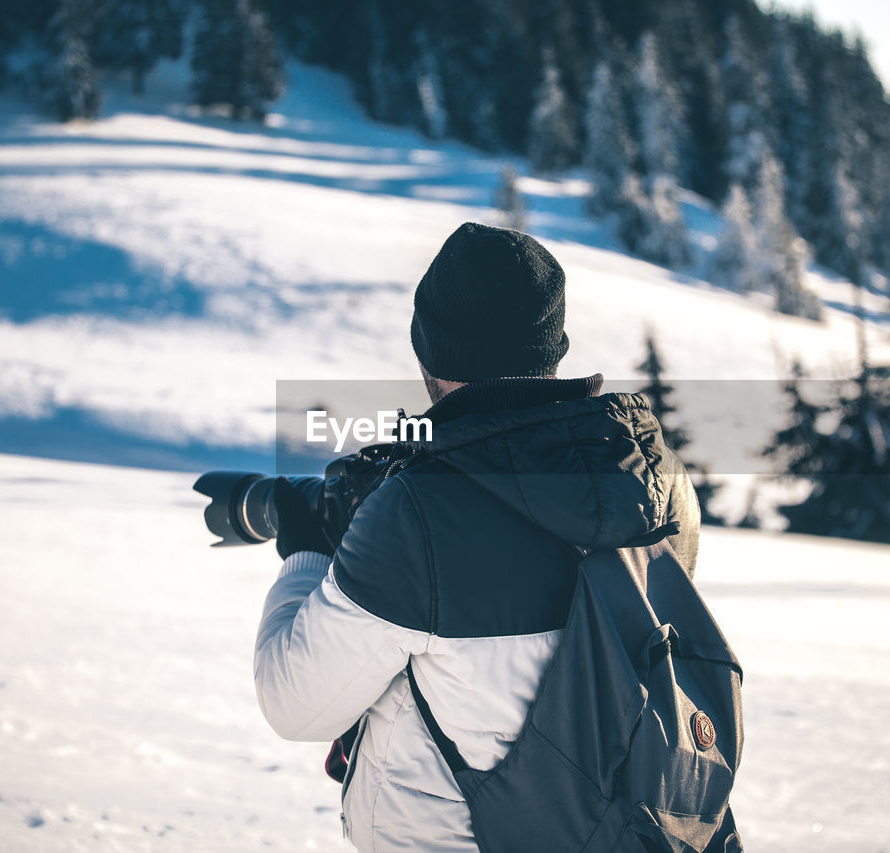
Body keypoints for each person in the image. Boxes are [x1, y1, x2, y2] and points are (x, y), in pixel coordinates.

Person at [254, 222, 704, 852]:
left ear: (427, 354)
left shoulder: (420, 513)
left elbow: (294, 703)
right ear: (551, 345)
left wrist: (305, 547)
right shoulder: (656, 483)